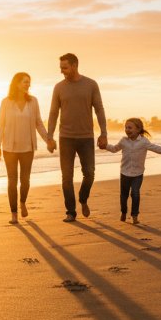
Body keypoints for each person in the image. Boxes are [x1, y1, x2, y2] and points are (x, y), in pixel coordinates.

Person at [46, 53, 107, 222]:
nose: (62, 71)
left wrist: (104, 133)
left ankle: (83, 198)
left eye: (64, 67)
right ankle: (70, 211)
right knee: (67, 177)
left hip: (86, 137)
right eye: (60, 68)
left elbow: (99, 109)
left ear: (74, 65)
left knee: (90, 173)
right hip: (66, 138)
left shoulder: (91, 84)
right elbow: (53, 113)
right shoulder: (58, 87)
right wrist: (49, 137)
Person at [0, 72, 50, 224]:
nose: (28, 85)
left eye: (29, 82)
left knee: (25, 180)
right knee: (12, 181)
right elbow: (1, 124)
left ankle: (23, 202)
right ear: (17, 83)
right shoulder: (6, 102)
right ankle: (14, 214)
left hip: (27, 147)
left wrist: (48, 140)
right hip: (9, 148)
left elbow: (38, 123)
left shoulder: (33, 101)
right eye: (25, 82)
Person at [103, 118, 161, 224]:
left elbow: (157, 148)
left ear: (138, 129)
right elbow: (114, 149)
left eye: (130, 127)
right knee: (123, 195)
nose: (127, 130)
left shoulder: (144, 142)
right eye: (126, 127)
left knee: (135, 193)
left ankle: (134, 216)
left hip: (138, 174)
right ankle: (123, 212)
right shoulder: (123, 141)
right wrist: (105, 146)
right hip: (124, 172)